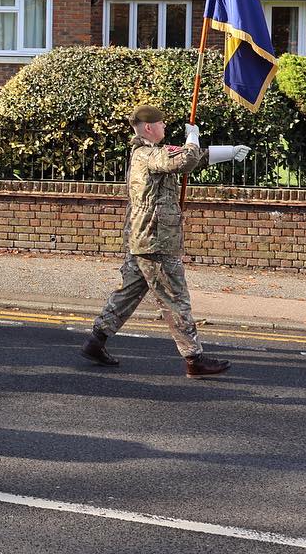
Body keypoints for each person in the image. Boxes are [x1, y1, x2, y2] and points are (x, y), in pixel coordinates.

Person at [79, 105, 249, 378]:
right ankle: (194, 359)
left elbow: (189, 159)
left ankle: (96, 341)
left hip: (144, 237)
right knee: (175, 299)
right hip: (156, 240)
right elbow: (183, 160)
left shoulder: (150, 153)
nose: (165, 127)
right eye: (161, 123)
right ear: (149, 128)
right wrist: (192, 137)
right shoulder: (147, 154)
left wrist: (228, 152)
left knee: (128, 293)